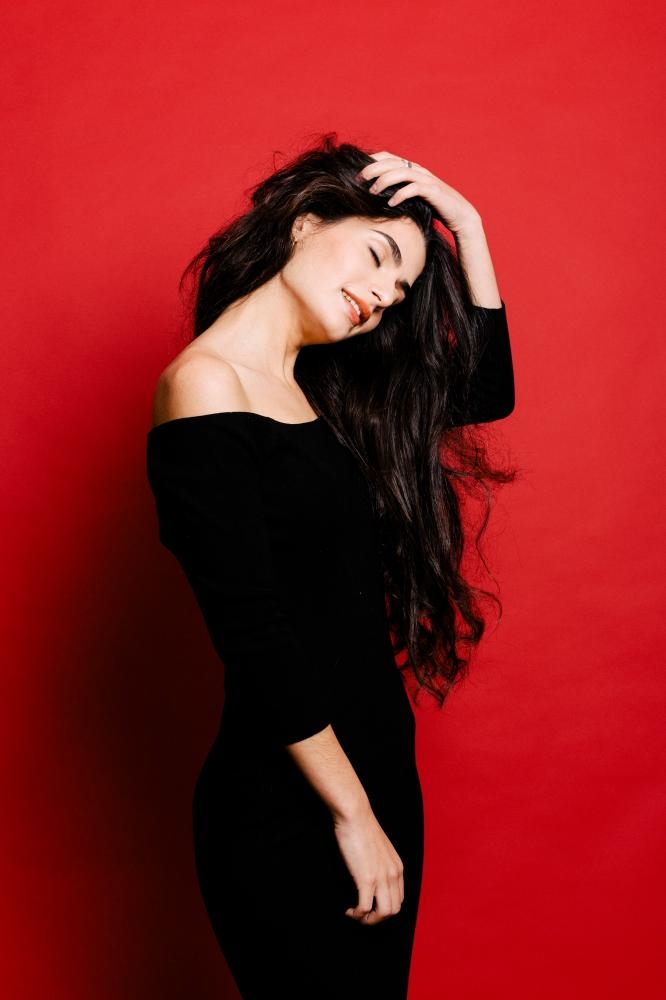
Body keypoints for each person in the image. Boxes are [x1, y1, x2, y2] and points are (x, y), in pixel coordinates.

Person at [145, 134, 516, 1000]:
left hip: (378, 771)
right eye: (380, 257)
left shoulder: (329, 391)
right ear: (306, 223)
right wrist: (352, 817)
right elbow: (255, 635)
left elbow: (486, 390)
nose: (382, 296)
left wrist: (467, 224)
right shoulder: (204, 387)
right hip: (292, 799)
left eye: (399, 292)